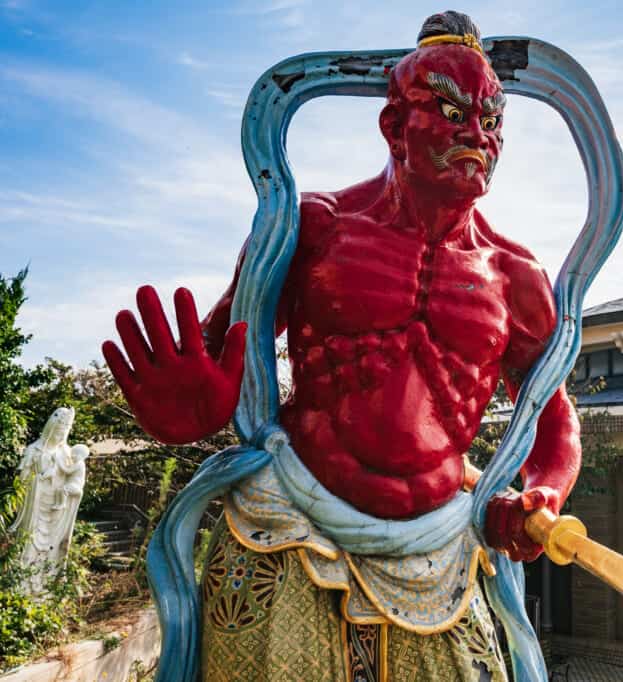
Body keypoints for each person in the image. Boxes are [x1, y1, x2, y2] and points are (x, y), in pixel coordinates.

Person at [102, 11, 581, 681]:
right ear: (394, 126)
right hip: (289, 517)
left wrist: (541, 495)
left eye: (492, 119)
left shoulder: (514, 277)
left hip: (438, 544)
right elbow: (224, 347)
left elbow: (552, 413)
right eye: (448, 111)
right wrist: (198, 404)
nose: (476, 135)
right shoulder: (312, 229)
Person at [10, 407, 89, 595]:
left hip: (57, 509)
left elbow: (75, 479)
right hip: (35, 506)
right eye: (59, 430)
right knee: (30, 543)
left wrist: (72, 489)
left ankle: (48, 587)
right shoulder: (34, 450)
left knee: (52, 549)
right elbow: (22, 481)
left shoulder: (69, 454)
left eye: (65, 432)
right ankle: (23, 588)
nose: (61, 435)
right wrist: (39, 480)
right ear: (51, 427)